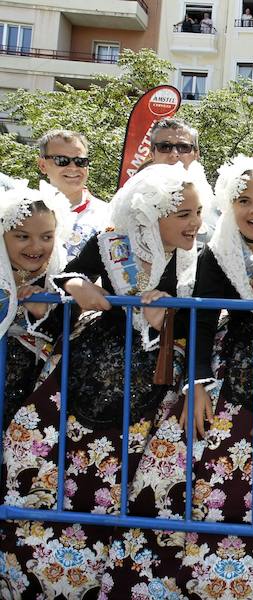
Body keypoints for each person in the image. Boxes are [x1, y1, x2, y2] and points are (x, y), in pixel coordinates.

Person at [103, 152, 253, 598]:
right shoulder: (219, 254)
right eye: (243, 201)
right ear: (229, 203)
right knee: (176, 477)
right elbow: (200, 323)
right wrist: (195, 386)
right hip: (228, 380)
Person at [0, 162, 206, 597]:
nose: (195, 223)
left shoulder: (195, 260)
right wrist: (76, 284)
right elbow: (70, 274)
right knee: (48, 478)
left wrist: (167, 319)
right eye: (184, 214)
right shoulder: (112, 243)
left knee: (128, 493)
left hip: (154, 394)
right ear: (152, 214)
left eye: (198, 212)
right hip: (82, 379)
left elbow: (202, 328)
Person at [0, 180, 72, 425]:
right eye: (22, 236)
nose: (36, 246)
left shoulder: (61, 275)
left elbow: (69, 330)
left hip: (36, 389)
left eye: (46, 237)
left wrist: (42, 314)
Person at [37, 129, 110, 260]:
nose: (73, 167)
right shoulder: (24, 211)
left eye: (80, 161)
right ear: (42, 165)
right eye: (61, 160)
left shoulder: (108, 215)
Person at [148, 118, 218, 236]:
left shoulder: (215, 210)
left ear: (196, 154)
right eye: (165, 147)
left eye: (183, 147)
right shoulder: (135, 202)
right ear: (152, 154)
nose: (174, 154)